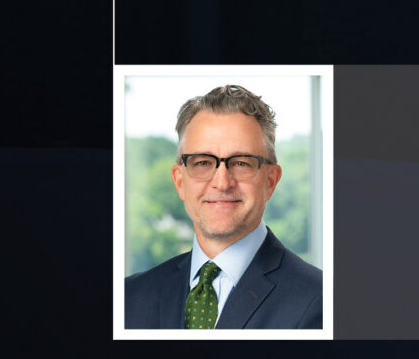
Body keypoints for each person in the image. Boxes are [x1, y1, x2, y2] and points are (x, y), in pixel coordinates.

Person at [124, 84, 323, 330]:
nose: (221, 182)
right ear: (179, 181)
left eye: (241, 163)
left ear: (270, 181)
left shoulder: (320, 301)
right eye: (203, 162)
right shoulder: (129, 298)